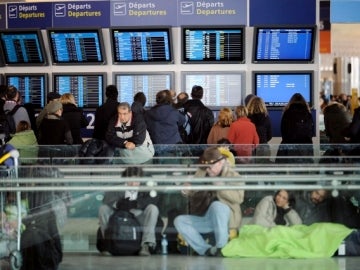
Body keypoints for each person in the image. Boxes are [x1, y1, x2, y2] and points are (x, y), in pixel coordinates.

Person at [174, 146, 245, 256]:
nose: (208, 170)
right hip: (205, 216)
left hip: (226, 219)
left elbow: (239, 198)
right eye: (206, 167)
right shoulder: (202, 171)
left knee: (217, 206)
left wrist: (221, 187)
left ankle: (221, 248)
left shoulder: (233, 175)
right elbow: (193, 189)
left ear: (220, 163)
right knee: (180, 221)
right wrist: (186, 190)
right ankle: (205, 250)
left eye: (210, 167)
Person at [98, 167, 159, 256]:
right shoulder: (119, 187)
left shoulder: (146, 188)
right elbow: (107, 198)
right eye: (131, 180)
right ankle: (107, 244)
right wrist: (118, 204)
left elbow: (153, 199)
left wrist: (136, 204)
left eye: (137, 180)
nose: (134, 183)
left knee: (153, 208)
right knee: (103, 209)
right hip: (119, 216)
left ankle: (146, 245)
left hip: (138, 216)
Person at [276, 93, 314, 163]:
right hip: (305, 148)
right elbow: (311, 132)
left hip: (290, 147)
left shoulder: (287, 113)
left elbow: (283, 132)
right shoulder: (308, 113)